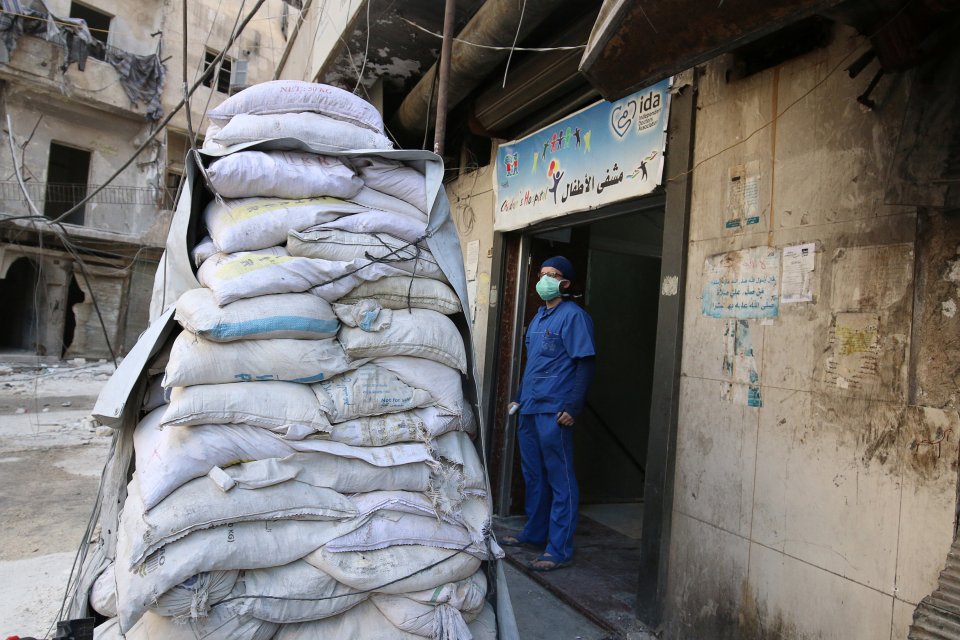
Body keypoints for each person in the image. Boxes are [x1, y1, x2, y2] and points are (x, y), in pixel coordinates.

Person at [504, 255, 595, 572]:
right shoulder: (539, 317)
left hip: (555, 411)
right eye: (542, 274)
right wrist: (518, 397)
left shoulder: (574, 317)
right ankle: (534, 532)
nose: (544, 280)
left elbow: (585, 364)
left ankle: (559, 548)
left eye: (552, 275)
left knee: (560, 480)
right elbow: (535, 366)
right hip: (530, 407)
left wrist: (572, 406)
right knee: (533, 475)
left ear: (565, 283)